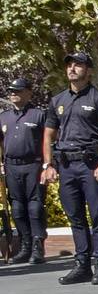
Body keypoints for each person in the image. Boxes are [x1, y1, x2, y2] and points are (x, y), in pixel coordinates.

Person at [42, 52, 98, 285]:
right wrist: (48, 164)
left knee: (97, 215)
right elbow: (48, 134)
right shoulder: (58, 100)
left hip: (90, 164)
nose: (72, 69)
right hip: (67, 165)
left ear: (89, 70)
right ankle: (82, 263)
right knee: (75, 216)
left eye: (78, 65)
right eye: (70, 65)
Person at [1, 77, 47, 264]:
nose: (13, 94)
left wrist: (47, 165)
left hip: (33, 164)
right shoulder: (3, 117)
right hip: (12, 166)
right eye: (11, 90)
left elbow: (48, 141)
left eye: (18, 91)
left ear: (28, 92)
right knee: (17, 208)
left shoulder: (38, 115)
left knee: (35, 207)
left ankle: (38, 246)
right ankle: (25, 245)